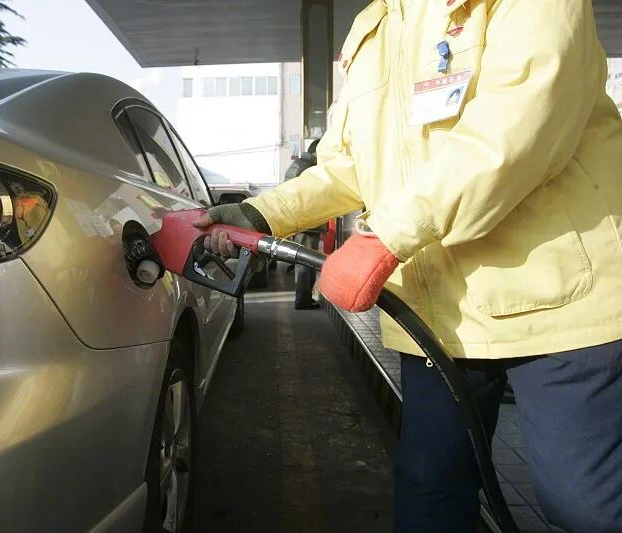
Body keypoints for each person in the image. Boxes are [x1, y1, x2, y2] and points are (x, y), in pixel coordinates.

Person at [194, 0, 622, 531]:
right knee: (430, 495)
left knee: (585, 507)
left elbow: (517, 132)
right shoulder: (373, 28)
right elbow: (347, 166)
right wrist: (261, 213)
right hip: (437, 316)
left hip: (560, 305)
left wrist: (389, 237)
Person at [283, 139, 326, 309]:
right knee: (305, 263)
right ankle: (303, 300)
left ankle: (304, 298)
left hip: (302, 222)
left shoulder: (299, 165)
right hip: (307, 223)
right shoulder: (307, 168)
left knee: (304, 262)